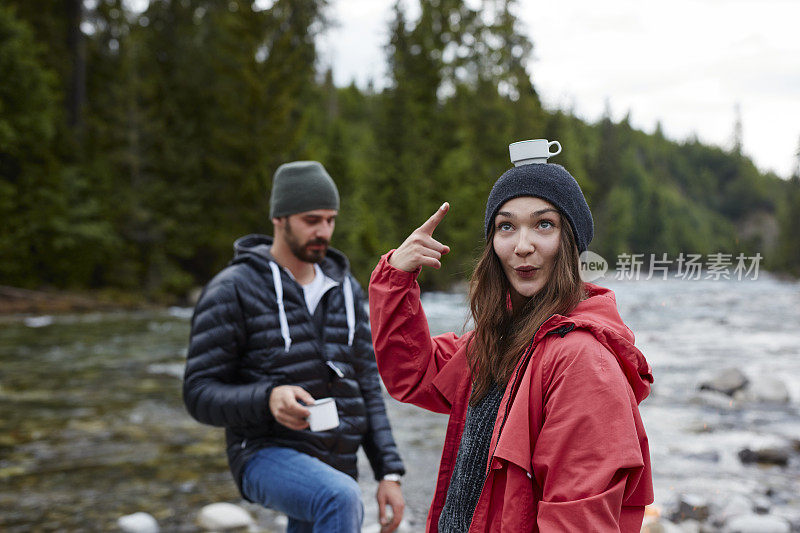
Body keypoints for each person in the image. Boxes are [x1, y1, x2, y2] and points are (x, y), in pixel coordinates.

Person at [368, 160, 654, 532]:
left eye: (544, 224)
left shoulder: (582, 361)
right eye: (506, 226)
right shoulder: (499, 339)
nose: (522, 246)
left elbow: (577, 522)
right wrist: (396, 277)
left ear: (571, 241)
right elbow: (415, 373)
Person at [184, 161, 406, 533]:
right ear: (280, 218)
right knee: (340, 497)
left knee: (335, 493)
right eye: (311, 220)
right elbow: (198, 394)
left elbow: (367, 385)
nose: (324, 231)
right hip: (262, 453)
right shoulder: (232, 290)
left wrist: (389, 472)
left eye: (330, 220)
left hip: (335, 461)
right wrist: (267, 399)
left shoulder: (346, 291)